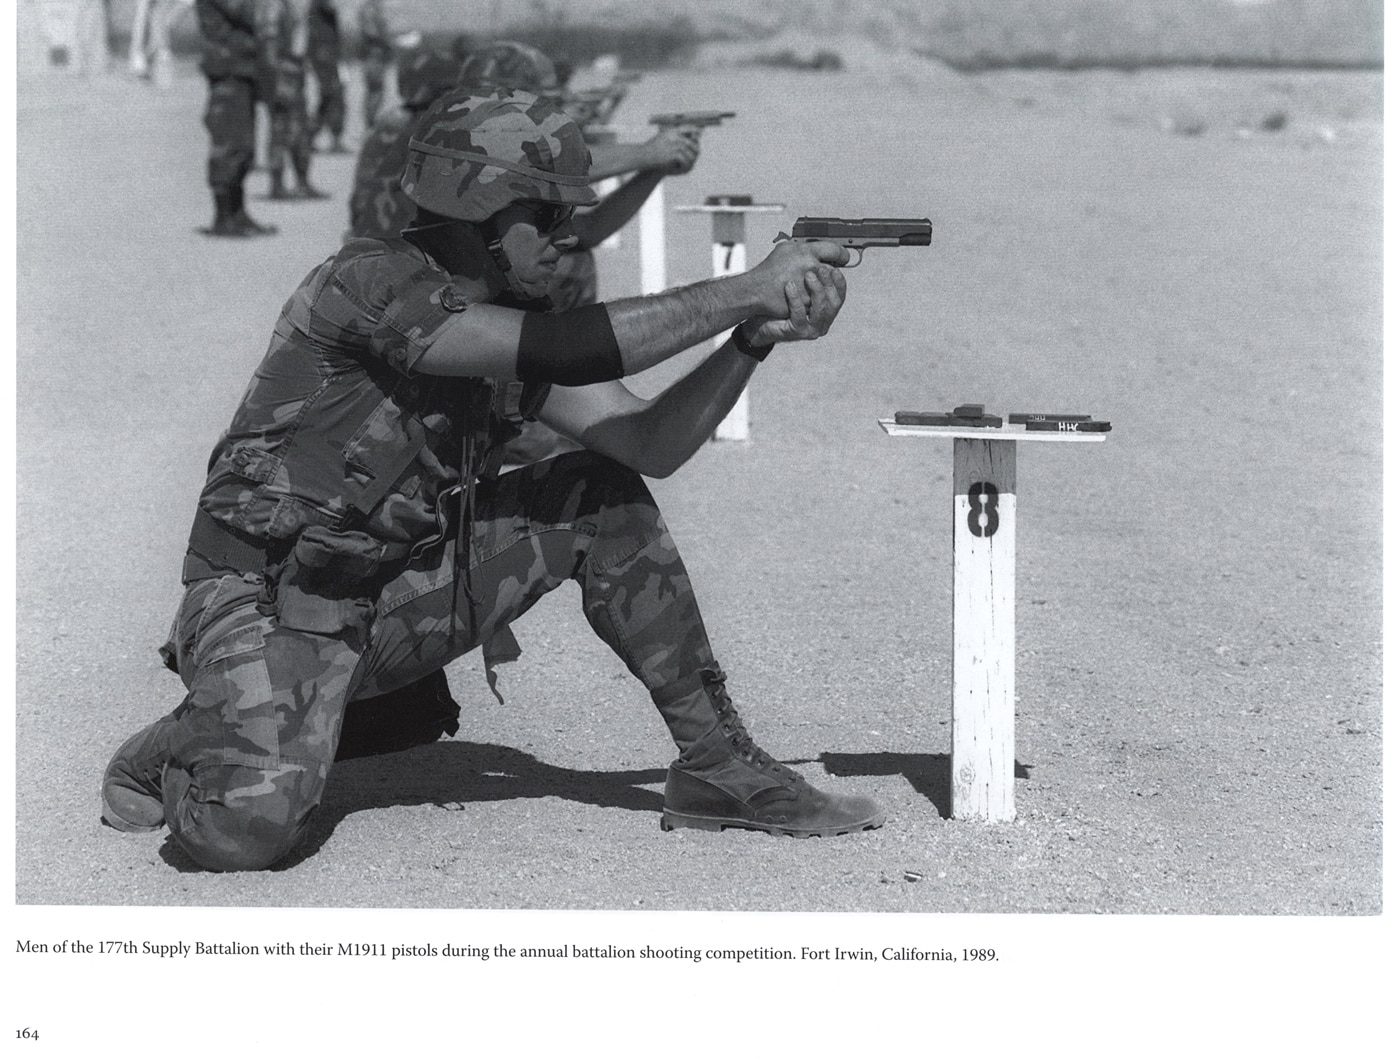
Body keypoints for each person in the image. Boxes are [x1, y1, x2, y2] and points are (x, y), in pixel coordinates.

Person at [101, 86, 883, 872]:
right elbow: (573, 350)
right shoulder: (369, 282)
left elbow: (649, 444)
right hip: (263, 600)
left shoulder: (507, 317)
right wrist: (746, 284)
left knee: (599, 499)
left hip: (376, 597)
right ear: (479, 211)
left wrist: (749, 340)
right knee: (241, 836)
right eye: (544, 216)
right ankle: (181, 741)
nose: (565, 237)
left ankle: (720, 768)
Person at [193, 0, 279, 236]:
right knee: (228, 145)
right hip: (228, 68)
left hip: (243, 68)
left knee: (244, 146)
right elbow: (246, 11)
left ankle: (238, 213)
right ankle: (223, 217)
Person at [264, 0, 327, 199]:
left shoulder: (289, 6)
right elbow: (270, 46)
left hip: (294, 74)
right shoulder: (273, 7)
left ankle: (302, 182)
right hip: (283, 76)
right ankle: (277, 185)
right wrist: (276, 80)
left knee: (299, 130)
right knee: (280, 130)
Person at [306, 0, 347, 151]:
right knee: (332, 96)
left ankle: (314, 137)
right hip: (323, 57)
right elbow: (331, 6)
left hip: (327, 56)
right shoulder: (320, 7)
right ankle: (313, 137)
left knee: (330, 97)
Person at [356, 0, 392, 133]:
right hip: (374, 56)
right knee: (376, 91)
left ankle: (370, 124)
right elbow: (372, 33)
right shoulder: (370, 9)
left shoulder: (370, 8)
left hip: (374, 56)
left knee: (375, 92)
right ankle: (369, 125)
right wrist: (386, 42)